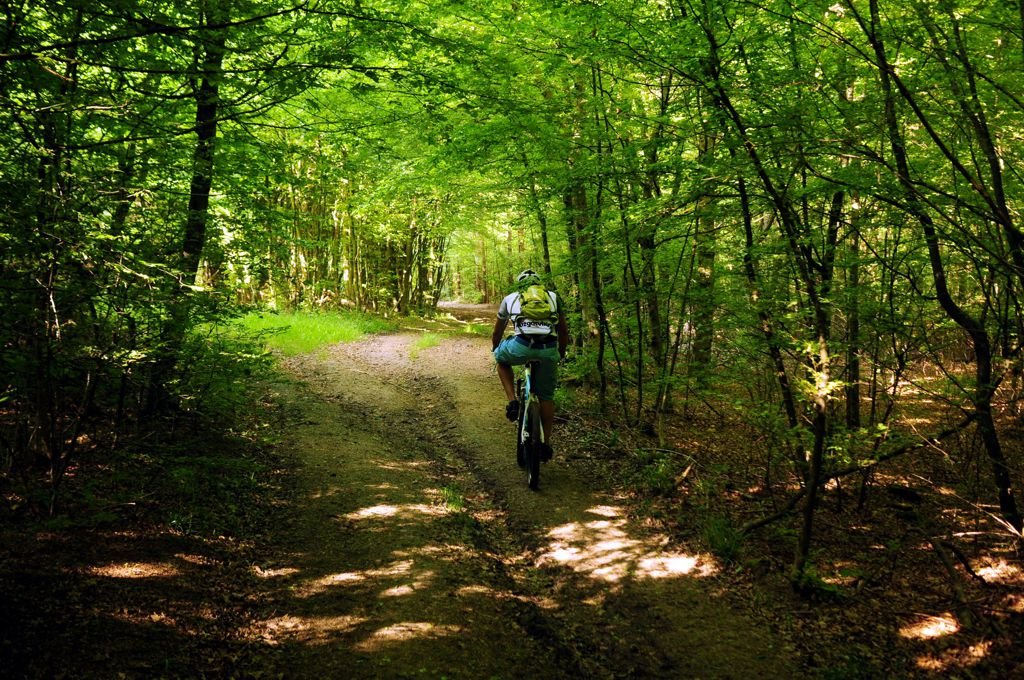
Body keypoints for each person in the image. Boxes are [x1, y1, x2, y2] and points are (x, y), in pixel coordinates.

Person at [491, 269, 569, 460]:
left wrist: (496, 347)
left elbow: (498, 330)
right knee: (546, 397)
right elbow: (563, 331)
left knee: (501, 361)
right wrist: (560, 352)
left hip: (521, 347)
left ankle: (512, 401)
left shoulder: (511, 298)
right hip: (548, 350)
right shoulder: (552, 298)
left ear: (520, 285)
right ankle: (545, 443)